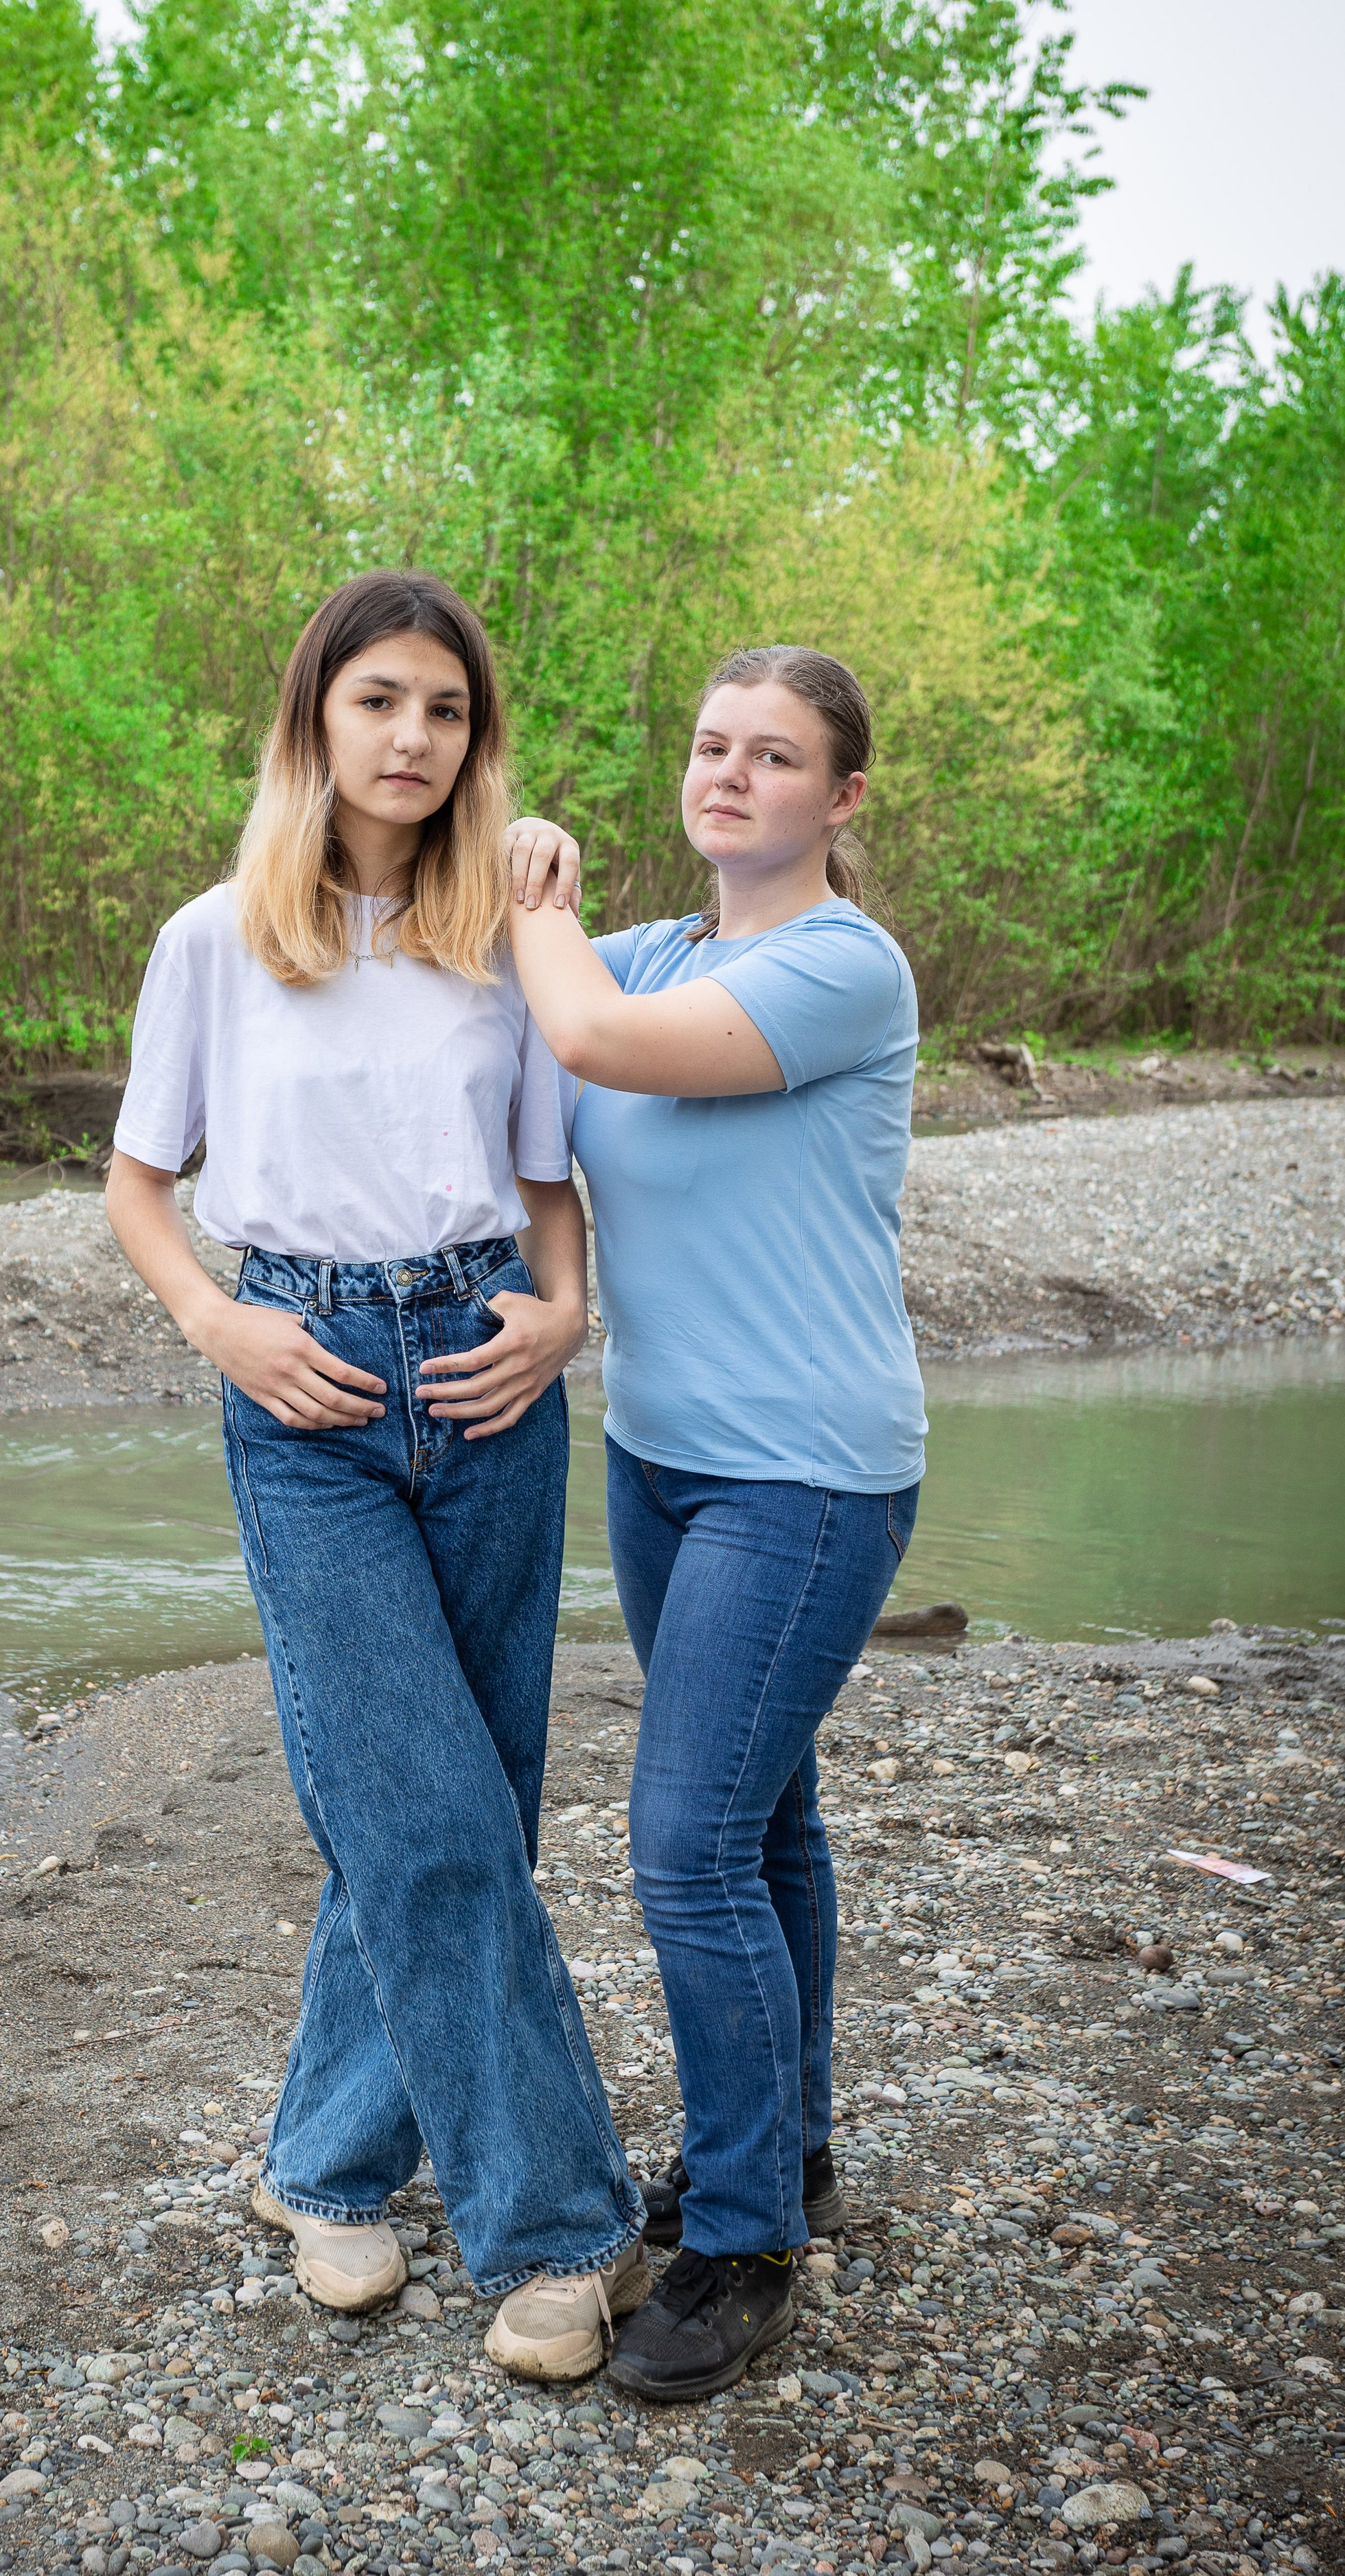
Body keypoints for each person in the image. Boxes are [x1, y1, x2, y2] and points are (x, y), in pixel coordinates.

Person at [104, 569, 647, 2384]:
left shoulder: (506, 932)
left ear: (476, 737)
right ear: (314, 722)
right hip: (307, 1389)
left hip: (492, 1379)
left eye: (447, 711)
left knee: (462, 1804)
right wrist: (219, 1326)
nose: (414, 740)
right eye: (380, 704)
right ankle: (561, 2231)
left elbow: (554, 1179)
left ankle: (325, 2165)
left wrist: (568, 1319)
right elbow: (138, 1186)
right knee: (419, 1815)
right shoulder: (215, 941)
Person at [503, 643, 926, 2401]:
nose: (728, 775)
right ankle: (794, 2143)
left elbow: (581, 1037)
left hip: (807, 1474)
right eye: (707, 746)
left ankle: (744, 2239)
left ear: (838, 798)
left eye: (772, 756)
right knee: (761, 1827)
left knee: (681, 1850)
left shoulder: (843, 965)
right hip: (663, 1460)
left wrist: (535, 879)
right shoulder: (660, 948)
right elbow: (496, 1000)